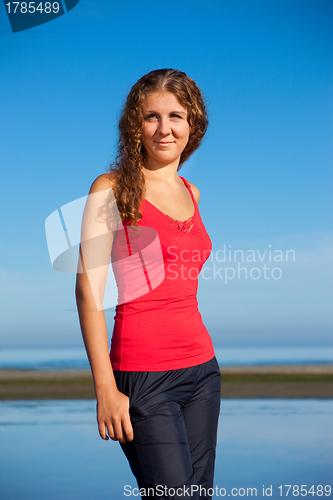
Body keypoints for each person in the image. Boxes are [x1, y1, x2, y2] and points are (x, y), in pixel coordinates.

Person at [75, 68, 221, 500]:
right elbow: (87, 291)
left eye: (175, 116)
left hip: (202, 370)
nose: (164, 128)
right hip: (141, 373)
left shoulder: (192, 192)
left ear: (192, 124)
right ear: (134, 125)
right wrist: (105, 387)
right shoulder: (112, 188)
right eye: (151, 116)